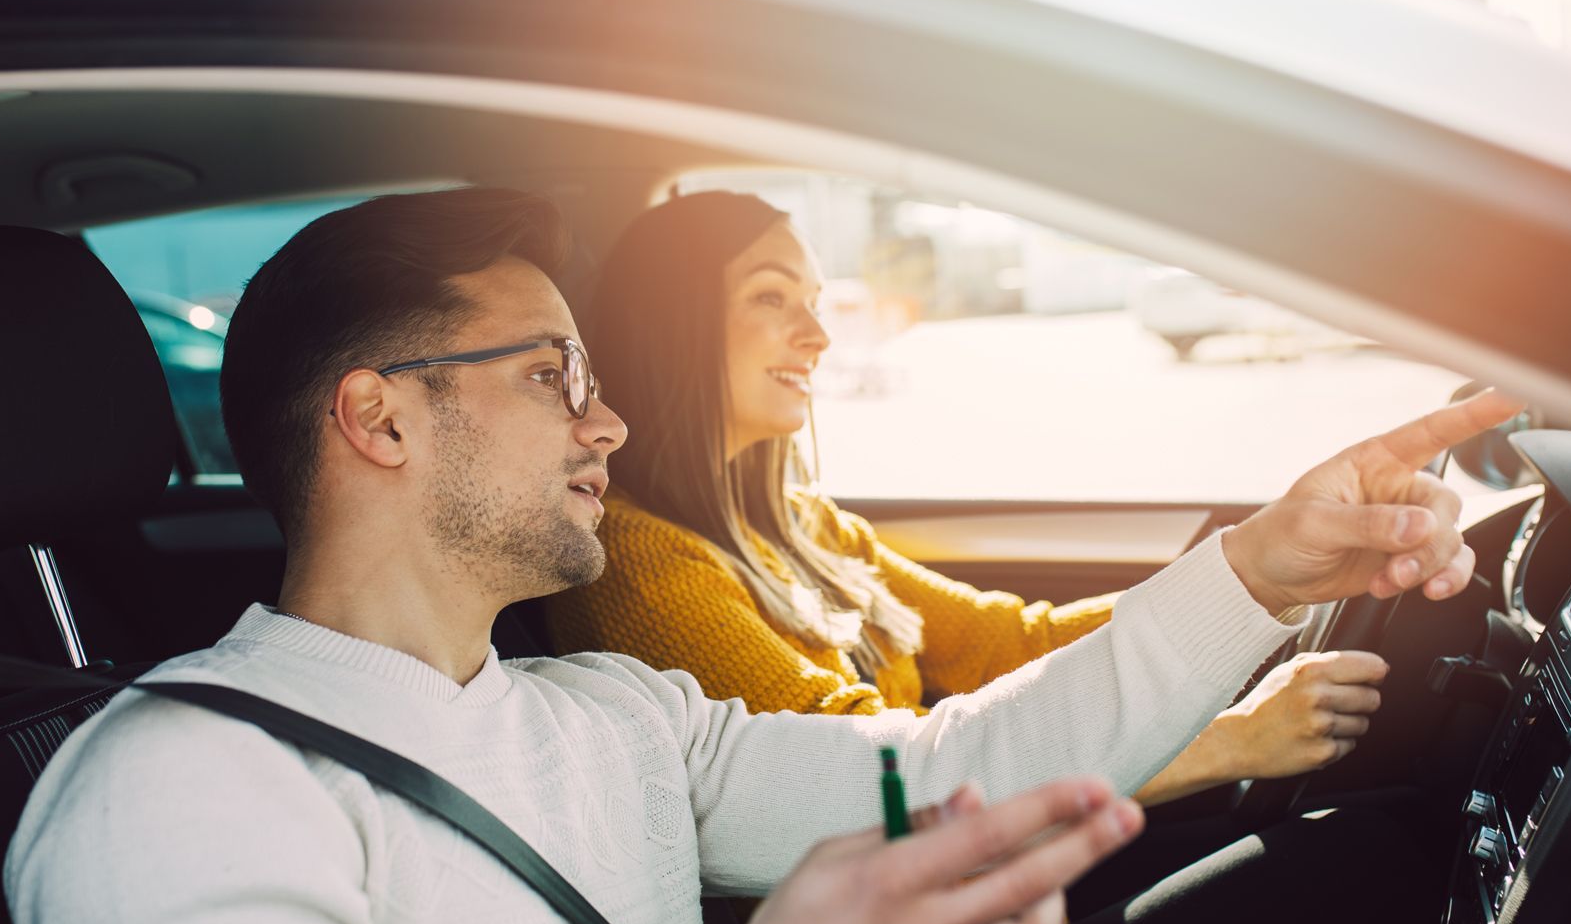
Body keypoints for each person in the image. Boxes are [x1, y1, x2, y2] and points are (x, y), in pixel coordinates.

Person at [6, 187, 1493, 924]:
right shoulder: (180, 792)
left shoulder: (612, 716)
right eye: (550, 376)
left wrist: (1255, 570)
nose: (611, 423)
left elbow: (954, 765)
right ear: (378, 417)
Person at [550, 190, 1391, 808]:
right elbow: (890, 788)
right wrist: (1229, 740)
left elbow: (1006, 643)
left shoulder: (801, 524)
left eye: (812, 300)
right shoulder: (645, 563)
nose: (817, 334)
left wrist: (1254, 580)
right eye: (771, 298)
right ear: (673, 322)